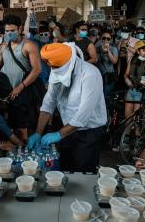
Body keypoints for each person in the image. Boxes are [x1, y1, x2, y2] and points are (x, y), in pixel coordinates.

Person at [28, 43, 107, 173]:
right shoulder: (57, 69)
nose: (53, 69)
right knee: (65, 168)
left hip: (88, 132)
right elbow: (48, 103)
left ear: (67, 64)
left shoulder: (90, 74)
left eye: (55, 67)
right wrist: (38, 132)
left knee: (83, 172)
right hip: (66, 128)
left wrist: (59, 134)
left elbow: (83, 115)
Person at [0, 15, 43, 142]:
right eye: (7, 31)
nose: (10, 33)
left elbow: (37, 70)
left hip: (25, 91)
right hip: (10, 93)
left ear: (20, 29)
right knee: (12, 125)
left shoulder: (29, 45)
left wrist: (20, 87)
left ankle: (25, 155)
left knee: (23, 128)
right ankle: (15, 153)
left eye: (12, 30)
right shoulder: (4, 46)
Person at [97, 30, 119, 96]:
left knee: (106, 96)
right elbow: (96, 60)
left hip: (109, 76)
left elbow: (114, 61)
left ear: (110, 40)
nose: (106, 40)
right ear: (101, 39)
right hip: (98, 76)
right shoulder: (97, 48)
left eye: (108, 38)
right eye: (104, 38)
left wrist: (108, 51)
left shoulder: (113, 49)